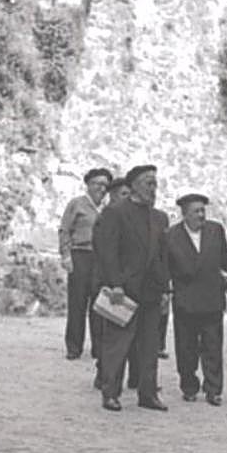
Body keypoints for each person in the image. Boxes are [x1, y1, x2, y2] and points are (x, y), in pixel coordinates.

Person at [93, 164, 171, 412]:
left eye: (155, 183)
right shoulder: (115, 213)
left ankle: (148, 393)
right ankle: (110, 393)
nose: (153, 188)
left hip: (151, 290)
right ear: (134, 186)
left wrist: (165, 290)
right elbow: (107, 251)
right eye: (149, 183)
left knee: (149, 346)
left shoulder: (160, 218)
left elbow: (163, 257)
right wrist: (114, 283)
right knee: (117, 344)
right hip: (124, 290)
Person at [166, 193, 227, 406]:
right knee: (186, 347)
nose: (201, 215)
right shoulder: (171, 236)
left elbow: (226, 259)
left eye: (203, 210)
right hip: (185, 300)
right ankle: (189, 386)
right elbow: (165, 267)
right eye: (196, 211)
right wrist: (165, 291)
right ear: (185, 214)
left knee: (213, 346)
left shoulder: (215, 231)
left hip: (212, 298)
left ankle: (214, 389)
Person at [59, 167, 112, 360]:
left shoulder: (108, 209)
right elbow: (65, 230)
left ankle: (99, 348)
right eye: (97, 184)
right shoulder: (77, 204)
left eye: (105, 185)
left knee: (99, 305)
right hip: (80, 255)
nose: (101, 188)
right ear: (88, 184)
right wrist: (66, 255)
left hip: (101, 259)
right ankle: (74, 347)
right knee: (77, 303)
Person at [91, 175, 128, 391]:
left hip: (125, 281)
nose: (128, 198)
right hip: (106, 281)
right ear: (113, 196)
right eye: (123, 194)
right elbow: (105, 254)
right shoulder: (106, 218)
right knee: (109, 332)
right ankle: (104, 374)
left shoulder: (130, 217)